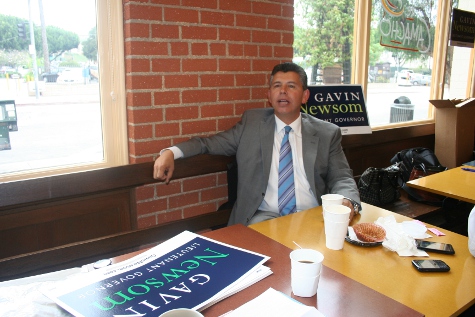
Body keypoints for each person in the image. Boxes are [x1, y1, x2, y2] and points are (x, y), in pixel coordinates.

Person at [154, 62, 361, 226]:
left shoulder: (326, 133)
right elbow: (208, 144)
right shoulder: (251, 125)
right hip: (262, 217)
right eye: (277, 86)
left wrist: (348, 202)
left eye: (291, 86)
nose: (283, 92)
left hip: (312, 217)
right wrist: (171, 152)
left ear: (305, 96)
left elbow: (342, 177)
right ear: (269, 95)